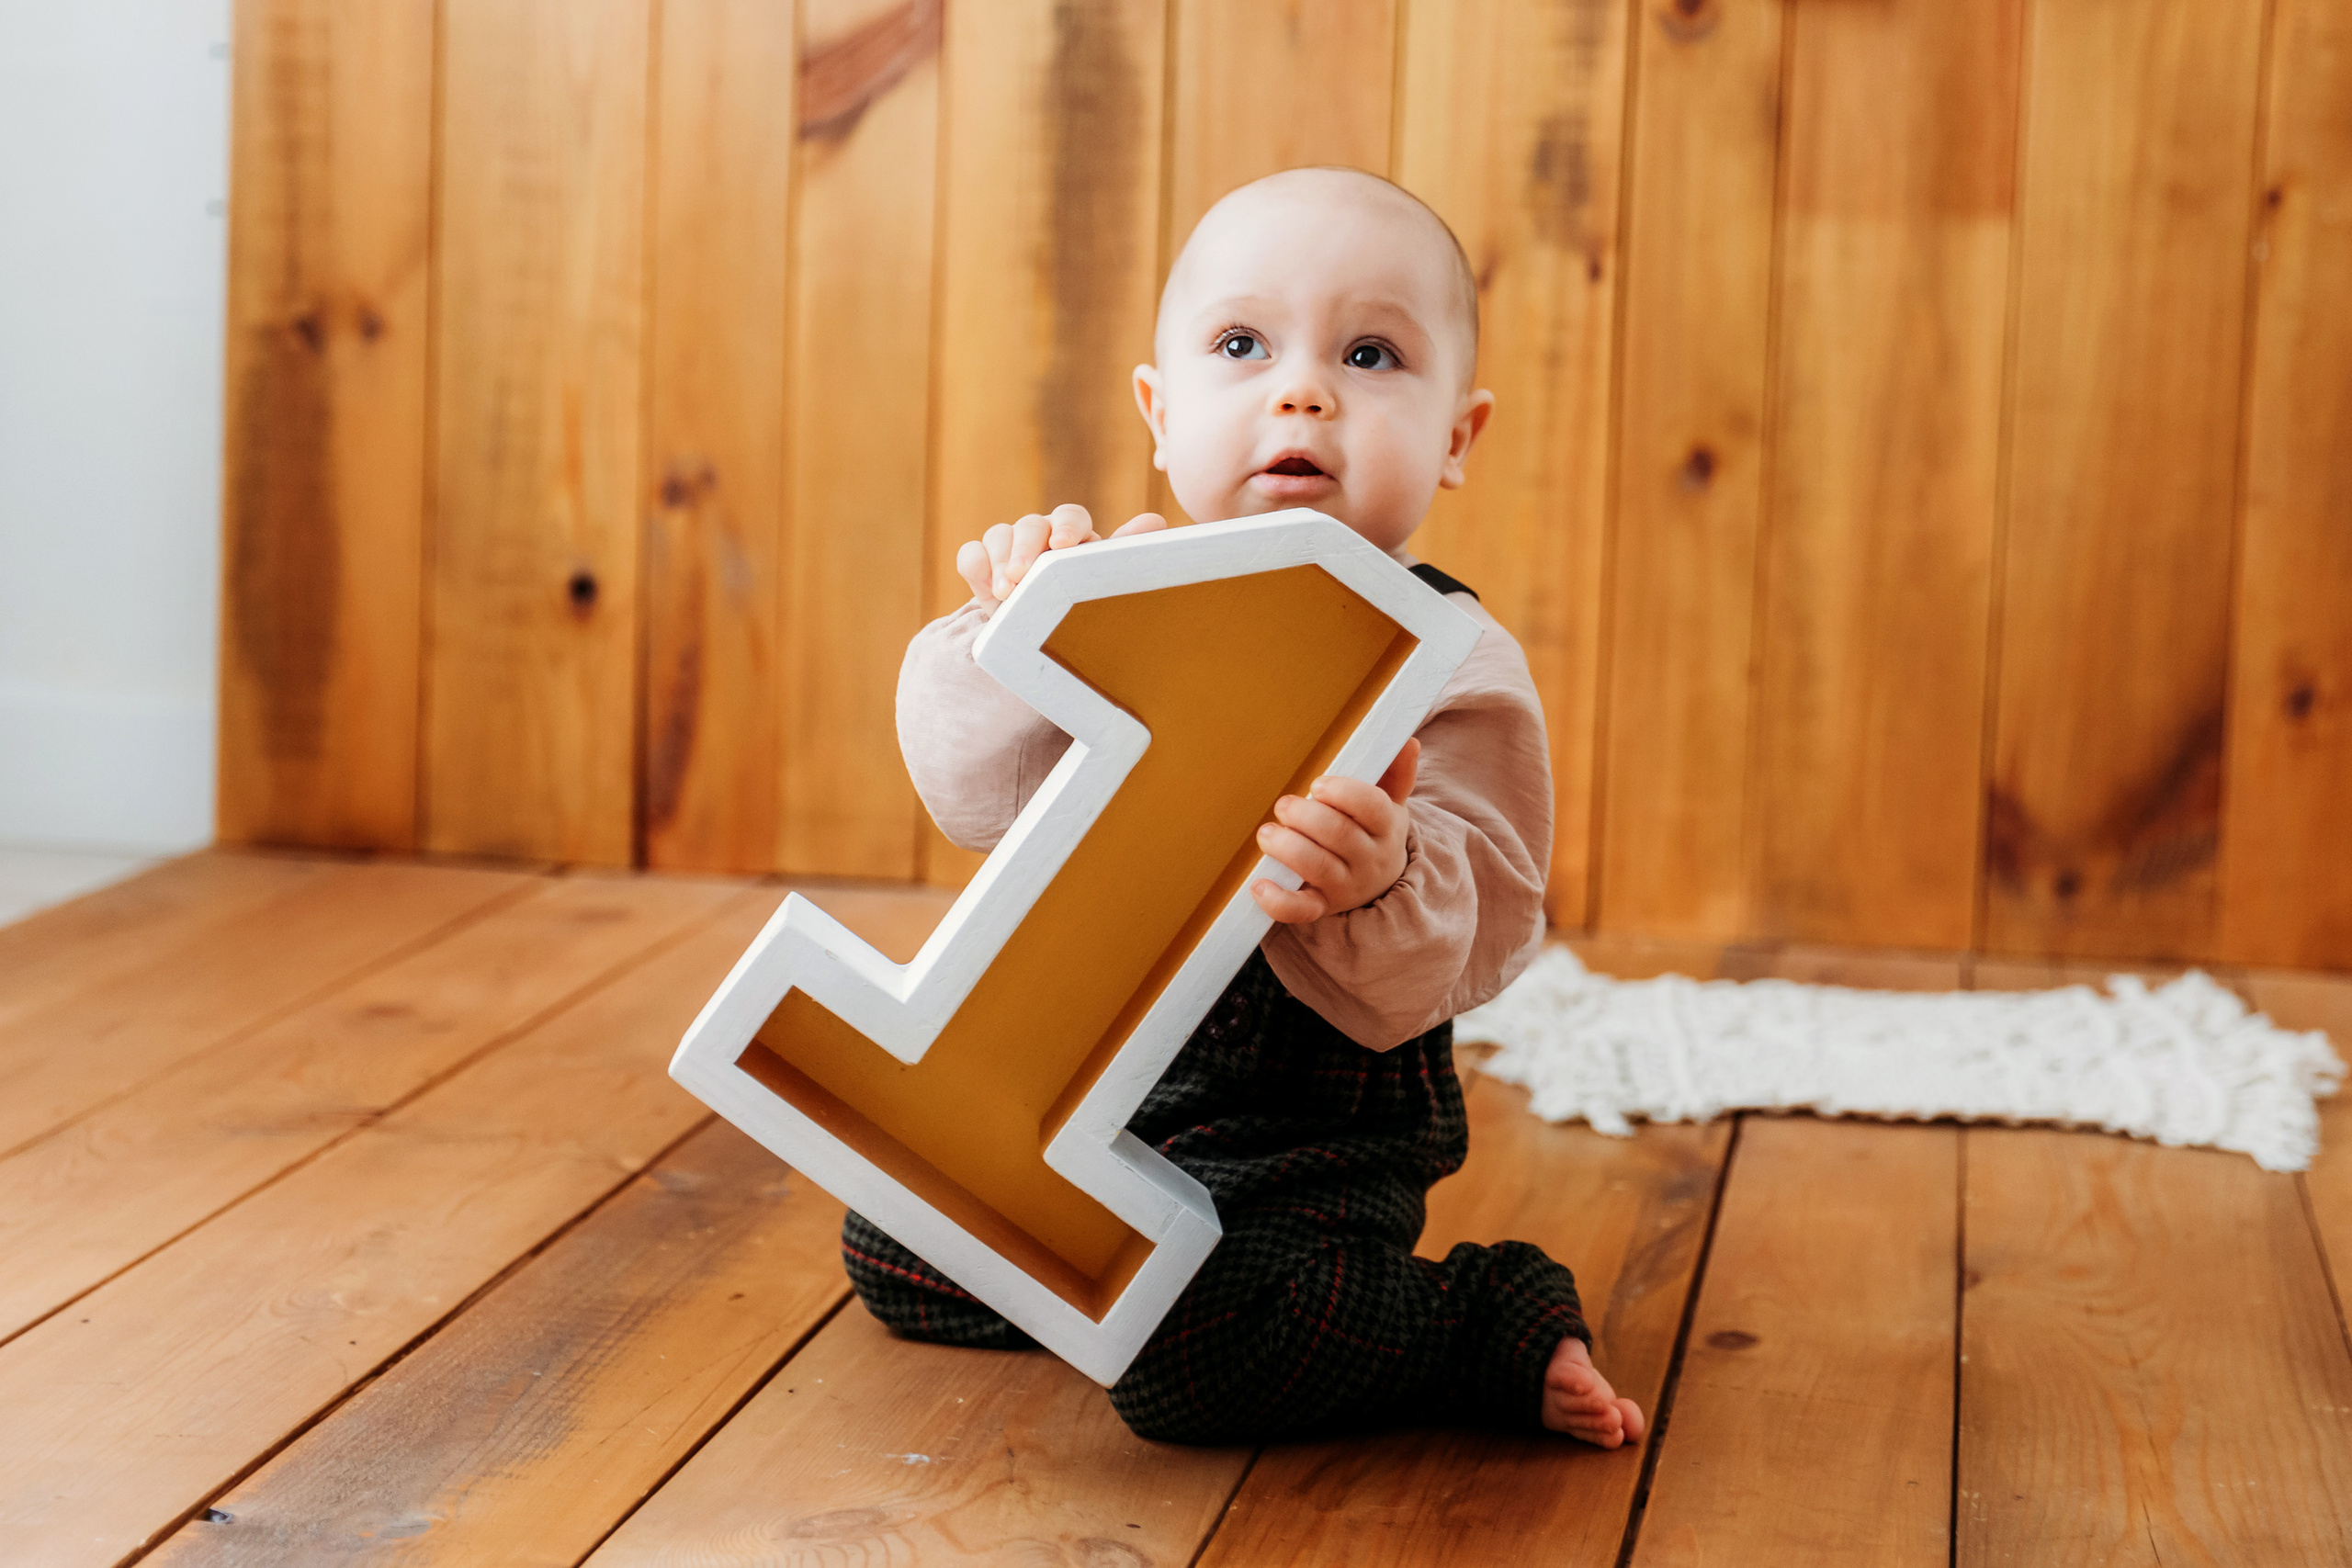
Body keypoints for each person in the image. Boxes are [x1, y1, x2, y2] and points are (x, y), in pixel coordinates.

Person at [845, 165, 1644, 1450]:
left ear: (1456, 437)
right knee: (892, 1244)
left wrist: (1385, 877)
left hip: (1298, 1152)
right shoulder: (1116, 591)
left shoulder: (1447, 657)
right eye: (1241, 346)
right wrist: (1005, 630)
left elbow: (1486, 920)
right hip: (1093, 1094)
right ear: (1161, 415)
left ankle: (1471, 1320)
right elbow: (971, 795)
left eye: (1370, 355)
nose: (1303, 391)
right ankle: (1110, 1286)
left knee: (1201, 1352)